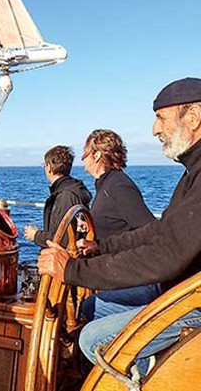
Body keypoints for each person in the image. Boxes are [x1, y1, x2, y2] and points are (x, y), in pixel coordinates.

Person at [37, 78, 201, 375]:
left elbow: (167, 255)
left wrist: (73, 271)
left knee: (93, 338)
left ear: (192, 117)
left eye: (161, 118)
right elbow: (162, 229)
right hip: (199, 289)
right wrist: (100, 247)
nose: (155, 129)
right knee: (91, 309)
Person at [80, 129, 159, 321]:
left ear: (96, 155)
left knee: (88, 307)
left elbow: (149, 230)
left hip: (133, 278)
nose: (82, 158)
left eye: (84, 153)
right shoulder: (106, 185)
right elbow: (115, 221)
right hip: (116, 272)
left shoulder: (118, 186)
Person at [24, 145, 92, 247]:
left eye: (45, 165)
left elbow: (64, 239)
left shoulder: (66, 196)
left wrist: (36, 235)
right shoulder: (74, 189)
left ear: (49, 168)